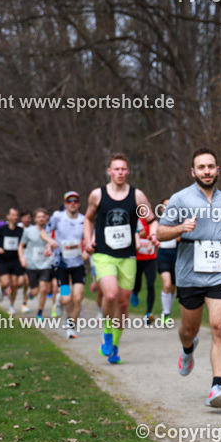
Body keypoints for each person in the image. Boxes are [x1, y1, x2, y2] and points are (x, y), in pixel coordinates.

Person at [158, 147, 221, 408]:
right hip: (189, 276)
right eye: (201, 167)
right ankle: (188, 349)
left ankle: (216, 388)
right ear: (193, 171)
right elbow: (160, 232)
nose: (207, 171)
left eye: (210, 166)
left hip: (220, 274)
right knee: (189, 330)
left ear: (217, 170)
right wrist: (180, 228)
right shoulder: (180, 199)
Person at [83, 153, 157, 364]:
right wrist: (87, 240)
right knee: (111, 294)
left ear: (128, 171)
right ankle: (107, 333)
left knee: (123, 304)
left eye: (123, 169)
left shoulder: (137, 196)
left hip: (128, 256)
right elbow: (88, 218)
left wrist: (153, 233)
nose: (120, 172)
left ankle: (115, 346)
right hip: (104, 254)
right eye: (116, 169)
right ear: (109, 171)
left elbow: (151, 219)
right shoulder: (97, 195)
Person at [45, 191, 87, 338]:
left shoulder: (84, 220)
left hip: (78, 264)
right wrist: (50, 243)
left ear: (79, 203)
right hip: (61, 265)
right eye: (69, 201)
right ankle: (60, 299)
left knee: (78, 298)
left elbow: (91, 238)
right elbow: (44, 232)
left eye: (75, 201)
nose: (72, 203)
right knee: (67, 298)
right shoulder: (58, 217)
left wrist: (88, 250)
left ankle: (71, 326)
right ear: (65, 204)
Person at [19, 208, 54, 319]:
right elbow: (21, 246)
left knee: (43, 289)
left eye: (43, 217)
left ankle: (39, 313)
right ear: (35, 219)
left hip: (45, 264)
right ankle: (31, 294)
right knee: (35, 292)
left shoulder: (51, 231)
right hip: (32, 265)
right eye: (39, 217)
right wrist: (22, 258)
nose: (41, 219)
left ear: (47, 218)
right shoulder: (28, 231)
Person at [0, 208, 26, 313]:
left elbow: (24, 244)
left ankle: (11, 305)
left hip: (15, 260)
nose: (15, 217)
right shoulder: (2, 229)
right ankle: (1, 288)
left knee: (15, 284)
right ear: (8, 216)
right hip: (3, 260)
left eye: (17, 215)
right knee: (6, 282)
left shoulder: (20, 231)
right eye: (13, 215)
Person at [130, 217, 158, 323]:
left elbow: (156, 235)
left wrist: (152, 243)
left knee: (150, 285)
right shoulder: (136, 219)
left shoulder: (153, 223)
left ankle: (148, 313)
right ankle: (135, 292)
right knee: (137, 283)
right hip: (137, 259)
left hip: (150, 259)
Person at [156, 197, 177, 325]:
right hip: (163, 256)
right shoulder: (158, 223)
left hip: (176, 256)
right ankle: (166, 313)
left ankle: (168, 310)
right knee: (167, 284)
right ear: (161, 208)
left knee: (173, 288)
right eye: (165, 205)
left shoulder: (178, 222)